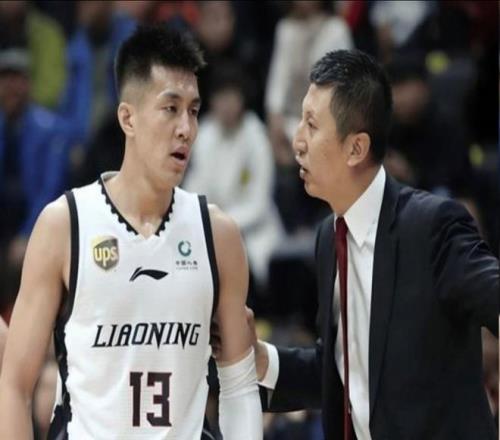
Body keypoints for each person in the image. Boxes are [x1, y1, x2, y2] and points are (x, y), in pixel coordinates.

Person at [0, 25, 263, 439]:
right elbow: (15, 385)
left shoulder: (219, 235)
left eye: (194, 111)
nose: (186, 128)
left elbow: (239, 387)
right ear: (128, 118)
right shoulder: (64, 224)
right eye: (170, 108)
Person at [253, 50, 499, 439]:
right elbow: (344, 373)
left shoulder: (432, 227)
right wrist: (260, 359)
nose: (297, 141)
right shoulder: (328, 237)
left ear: (356, 148)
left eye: (311, 125)